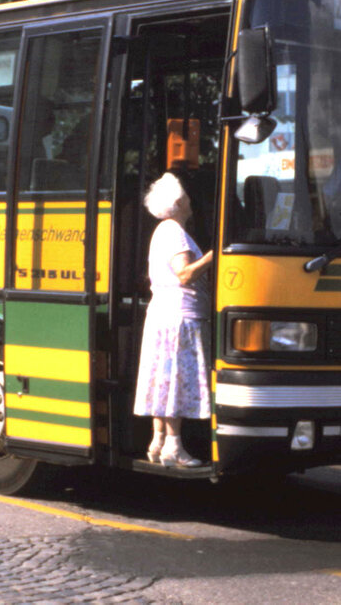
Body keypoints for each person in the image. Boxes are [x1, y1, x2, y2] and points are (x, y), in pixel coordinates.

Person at [133, 172, 214, 467]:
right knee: (178, 382)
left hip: (162, 315)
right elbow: (184, 274)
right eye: (187, 196)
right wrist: (213, 256)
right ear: (179, 201)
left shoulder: (160, 231)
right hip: (181, 317)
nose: (191, 201)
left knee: (163, 380)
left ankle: (158, 441)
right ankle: (174, 448)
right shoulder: (176, 232)